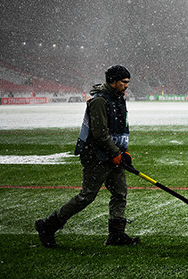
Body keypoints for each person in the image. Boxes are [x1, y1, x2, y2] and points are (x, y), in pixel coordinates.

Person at [35, 65, 140, 248]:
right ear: (112, 81)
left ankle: (116, 234)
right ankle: (48, 225)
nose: (126, 86)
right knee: (87, 196)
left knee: (120, 193)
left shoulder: (118, 98)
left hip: (113, 154)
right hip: (96, 156)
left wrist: (123, 151)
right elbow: (100, 134)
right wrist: (115, 153)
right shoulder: (99, 101)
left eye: (127, 82)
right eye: (124, 82)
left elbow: (119, 129)